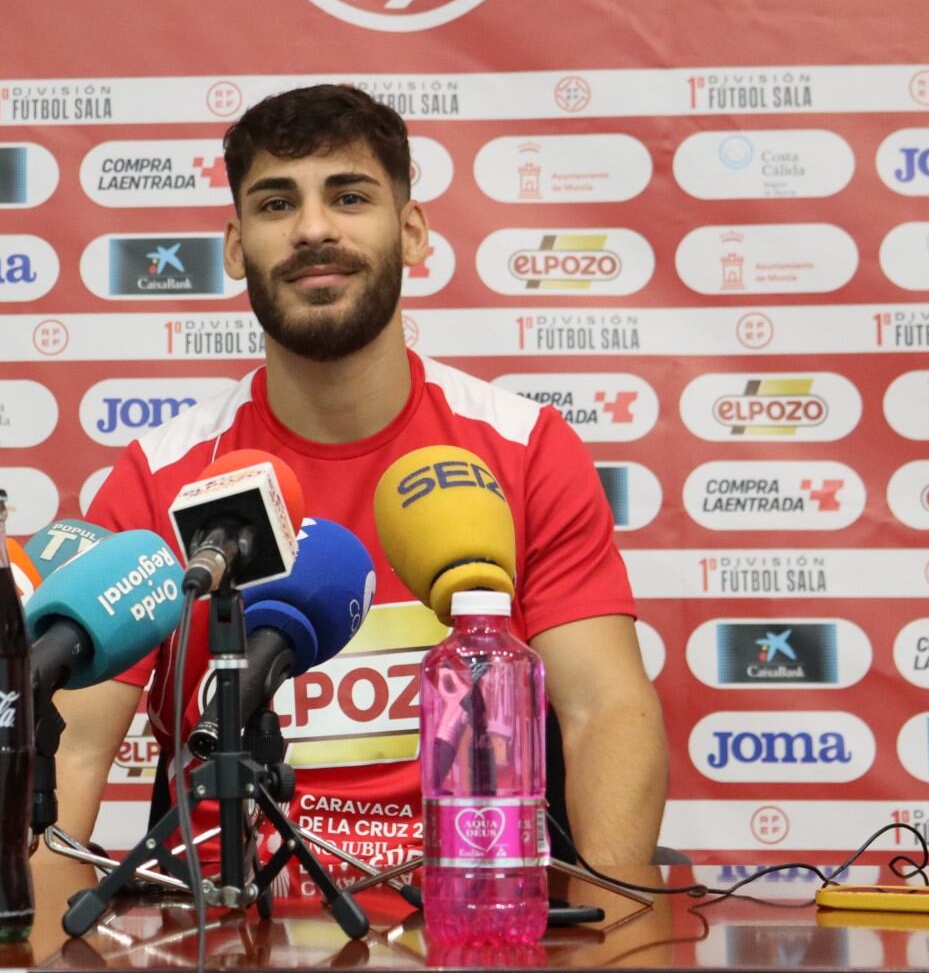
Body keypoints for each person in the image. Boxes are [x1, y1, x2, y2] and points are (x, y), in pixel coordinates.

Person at [53, 84, 667, 875]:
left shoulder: (525, 448)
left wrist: (612, 931)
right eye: (276, 205)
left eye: (348, 196)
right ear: (236, 248)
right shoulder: (160, 476)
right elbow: (69, 754)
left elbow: (605, 713)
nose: (313, 229)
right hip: (224, 933)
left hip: (471, 924)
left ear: (411, 232)